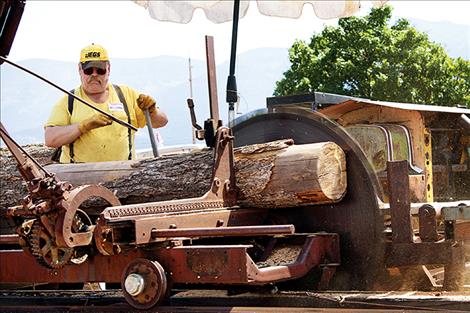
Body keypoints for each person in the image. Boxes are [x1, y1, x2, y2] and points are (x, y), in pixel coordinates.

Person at [44, 43, 168, 163]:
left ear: (108, 69)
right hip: (80, 177)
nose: (94, 74)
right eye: (88, 70)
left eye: (100, 70)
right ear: (80, 70)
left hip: (125, 177)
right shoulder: (68, 101)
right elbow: (50, 139)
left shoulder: (126, 95)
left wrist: (152, 111)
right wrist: (83, 127)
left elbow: (161, 122)